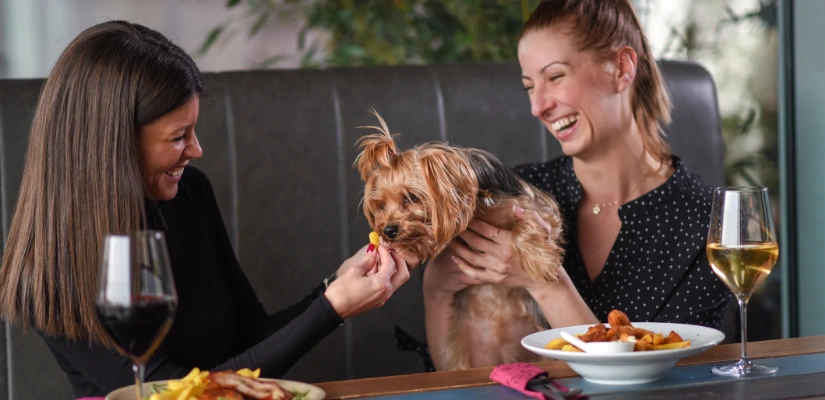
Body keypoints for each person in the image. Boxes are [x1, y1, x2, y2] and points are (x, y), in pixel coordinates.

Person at [0, 21, 410, 397]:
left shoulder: (191, 194)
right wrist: (331, 308)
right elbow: (173, 394)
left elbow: (254, 337)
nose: (197, 150)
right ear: (114, 144)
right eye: (179, 136)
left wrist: (334, 287)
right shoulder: (51, 271)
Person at [423, 0, 731, 370]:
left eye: (555, 77)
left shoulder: (706, 221)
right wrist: (436, 291)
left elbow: (675, 378)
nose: (538, 106)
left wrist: (545, 282)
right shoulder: (517, 197)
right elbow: (461, 379)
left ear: (621, 68)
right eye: (528, 87)